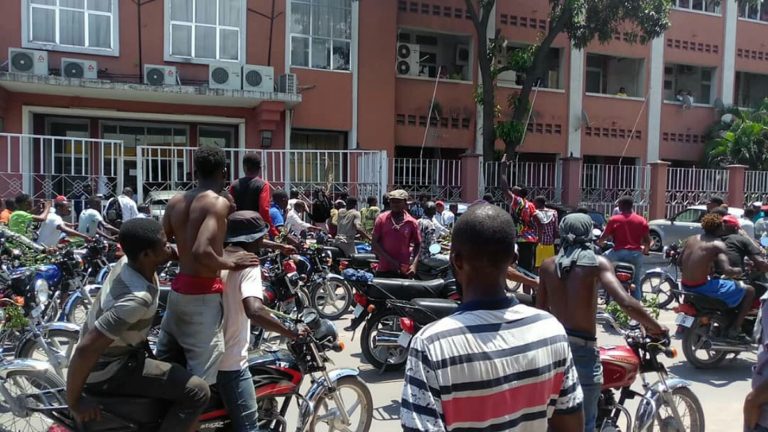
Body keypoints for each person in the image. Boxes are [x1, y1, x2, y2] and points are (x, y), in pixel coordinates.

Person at [401, 204, 584, 432]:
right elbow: (571, 424)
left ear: (456, 260)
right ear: (513, 259)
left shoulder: (430, 344)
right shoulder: (551, 330)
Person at [66, 218, 210, 432]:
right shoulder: (135, 299)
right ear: (146, 254)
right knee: (198, 391)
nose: (169, 247)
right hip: (111, 369)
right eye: (164, 244)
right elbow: (86, 349)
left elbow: (173, 252)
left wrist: (220, 259)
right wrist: (74, 401)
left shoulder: (131, 261)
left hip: (124, 354)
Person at [537, 212, 666, 432]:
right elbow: (626, 302)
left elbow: (541, 310)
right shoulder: (597, 264)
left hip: (553, 352)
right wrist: (656, 327)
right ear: (589, 234)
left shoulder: (548, 266)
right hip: (583, 354)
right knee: (584, 424)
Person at [158, 147, 260, 385]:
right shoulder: (217, 203)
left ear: (195, 172)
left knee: (167, 369)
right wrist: (229, 262)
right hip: (202, 297)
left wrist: (183, 255)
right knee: (202, 382)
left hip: (177, 293)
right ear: (224, 172)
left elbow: (161, 247)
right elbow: (202, 250)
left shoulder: (175, 202)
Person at [219, 211, 306, 431]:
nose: (263, 239)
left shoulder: (221, 257)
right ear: (255, 238)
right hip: (231, 363)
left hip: (210, 353)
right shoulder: (248, 264)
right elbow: (255, 310)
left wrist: (279, 247)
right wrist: (292, 333)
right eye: (261, 235)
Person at [680, 213, 754, 343]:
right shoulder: (718, 244)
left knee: (724, 284)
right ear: (720, 228)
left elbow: (679, 261)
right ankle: (735, 329)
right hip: (702, 287)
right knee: (749, 290)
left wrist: (707, 266)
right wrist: (740, 270)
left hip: (685, 285)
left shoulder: (691, 239)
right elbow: (727, 270)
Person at [597, 196, 650, 299]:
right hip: (636, 255)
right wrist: (645, 250)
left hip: (617, 254)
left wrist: (600, 243)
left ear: (621, 206)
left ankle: (601, 288)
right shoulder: (641, 220)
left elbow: (604, 236)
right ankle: (636, 305)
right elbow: (647, 240)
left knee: (600, 262)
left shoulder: (614, 219)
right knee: (636, 282)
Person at [500, 156, 539, 294]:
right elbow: (536, 221)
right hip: (530, 239)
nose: (512, 188)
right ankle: (530, 293)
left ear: (519, 192)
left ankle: (529, 295)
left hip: (522, 239)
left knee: (523, 269)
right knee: (527, 268)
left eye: (515, 188)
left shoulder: (518, 202)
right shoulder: (530, 204)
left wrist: (503, 169)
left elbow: (504, 188)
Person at [372, 190, 421, 278]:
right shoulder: (381, 219)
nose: (395, 204)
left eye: (398, 202)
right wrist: (393, 262)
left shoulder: (412, 222)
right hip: (384, 269)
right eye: (392, 202)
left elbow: (418, 244)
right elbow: (374, 243)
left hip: (403, 269)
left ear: (405, 203)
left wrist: (414, 265)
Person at [229, 152, 272, 233]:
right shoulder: (263, 185)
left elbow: (230, 208)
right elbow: (264, 209)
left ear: (244, 167)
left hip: (237, 230)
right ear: (259, 168)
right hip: (255, 230)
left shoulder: (234, 185)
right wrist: (271, 230)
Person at [533, 196, 558, 271]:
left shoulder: (534, 212)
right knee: (550, 265)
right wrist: (554, 239)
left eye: (534, 203)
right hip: (550, 243)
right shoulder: (554, 212)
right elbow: (555, 228)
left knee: (538, 265)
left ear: (538, 203)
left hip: (537, 242)